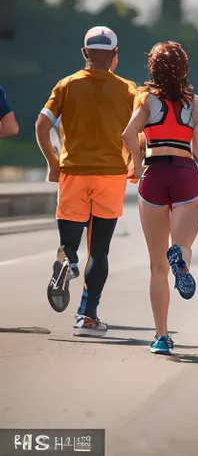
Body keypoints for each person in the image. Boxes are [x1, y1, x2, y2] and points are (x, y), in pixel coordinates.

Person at [35, 26, 137, 336]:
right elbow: (139, 133)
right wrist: (135, 162)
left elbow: (41, 125)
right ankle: (87, 316)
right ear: (114, 56)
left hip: (73, 172)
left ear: (85, 54)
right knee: (100, 251)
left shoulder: (66, 85)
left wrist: (53, 164)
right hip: (111, 175)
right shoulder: (130, 90)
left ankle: (66, 261)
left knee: (69, 244)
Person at [122, 41, 198, 354]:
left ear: (153, 69)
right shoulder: (196, 102)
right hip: (185, 173)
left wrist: (138, 159)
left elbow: (128, 134)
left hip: (154, 175)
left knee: (156, 266)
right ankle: (182, 261)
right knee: (182, 245)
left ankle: (161, 337)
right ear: (184, 69)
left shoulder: (146, 99)